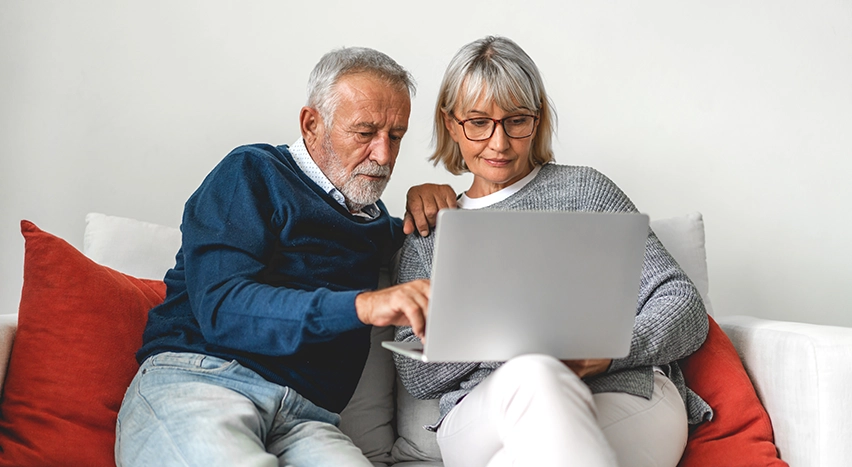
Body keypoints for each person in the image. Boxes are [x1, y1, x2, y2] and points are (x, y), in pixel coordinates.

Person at [115, 46, 451, 467]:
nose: (383, 156)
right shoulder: (252, 173)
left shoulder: (375, 223)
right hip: (202, 381)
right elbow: (222, 306)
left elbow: (436, 248)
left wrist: (433, 203)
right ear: (312, 124)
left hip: (309, 419)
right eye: (364, 133)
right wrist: (362, 305)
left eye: (395, 136)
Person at [392, 36, 712, 467]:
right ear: (451, 124)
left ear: (537, 120)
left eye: (516, 121)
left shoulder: (585, 191)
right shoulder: (432, 227)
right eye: (479, 122)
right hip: (483, 415)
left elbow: (685, 308)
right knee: (534, 371)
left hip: (620, 396)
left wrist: (613, 349)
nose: (499, 143)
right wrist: (513, 342)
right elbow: (414, 371)